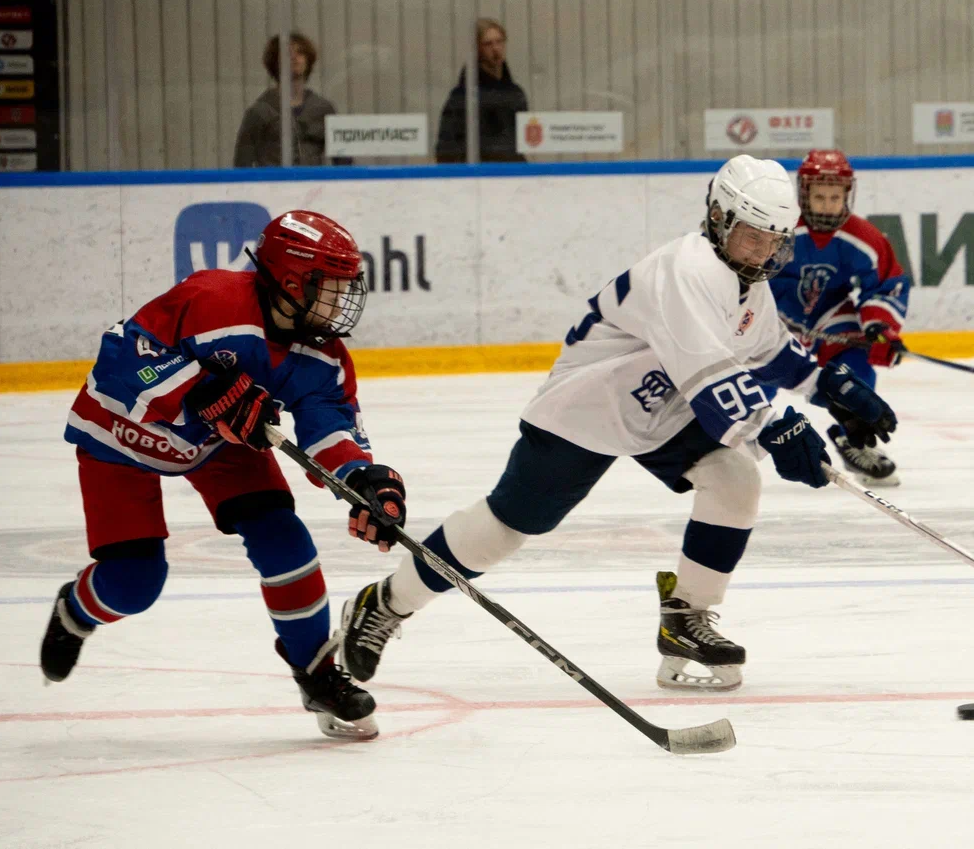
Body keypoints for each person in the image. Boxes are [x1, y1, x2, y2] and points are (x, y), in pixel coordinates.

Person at [335, 155, 897, 694]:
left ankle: (687, 618)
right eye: (753, 236)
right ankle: (385, 602)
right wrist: (778, 428)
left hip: (665, 404)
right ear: (719, 219)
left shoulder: (745, 278)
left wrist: (833, 389)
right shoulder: (689, 268)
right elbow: (715, 382)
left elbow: (769, 351)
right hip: (592, 405)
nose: (764, 251)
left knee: (735, 479)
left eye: (776, 241)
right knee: (509, 524)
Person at [41, 211, 409, 741]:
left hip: (219, 443)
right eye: (329, 287)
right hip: (122, 434)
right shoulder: (211, 300)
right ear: (289, 280)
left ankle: (316, 670)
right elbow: (125, 356)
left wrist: (364, 479)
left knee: (285, 538)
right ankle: (75, 612)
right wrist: (200, 390)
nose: (340, 300)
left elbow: (328, 425)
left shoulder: (321, 356)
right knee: (134, 584)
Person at [770, 149, 912, 486]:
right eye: (820, 196)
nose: (828, 204)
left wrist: (878, 325)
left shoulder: (863, 237)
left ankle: (853, 437)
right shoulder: (780, 230)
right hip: (771, 320)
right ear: (804, 194)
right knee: (749, 384)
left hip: (827, 320)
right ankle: (719, 440)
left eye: (835, 197)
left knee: (856, 360)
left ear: (847, 194)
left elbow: (885, 285)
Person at [233, 33, 342, 167]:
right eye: (287, 54)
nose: (295, 57)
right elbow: (242, 162)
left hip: (313, 185)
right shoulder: (260, 112)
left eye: (300, 52)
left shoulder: (323, 109)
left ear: (308, 60)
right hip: (273, 186)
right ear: (275, 62)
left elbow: (342, 159)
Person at [434, 18, 528, 163]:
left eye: (499, 41)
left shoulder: (515, 94)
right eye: (488, 44)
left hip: (511, 176)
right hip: (478, 175)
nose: (495, 48)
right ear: (478, 49)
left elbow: (522, 142)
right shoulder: (463, 96)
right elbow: (447, 148)